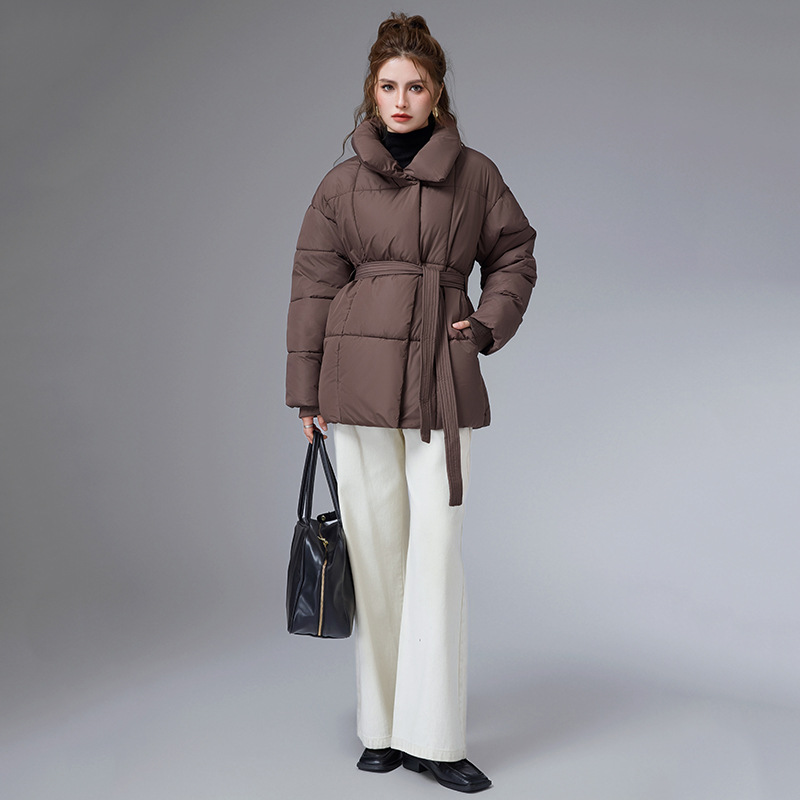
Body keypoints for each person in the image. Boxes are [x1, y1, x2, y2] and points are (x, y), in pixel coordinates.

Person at [285, 12, 536, 793]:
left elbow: (515, 254)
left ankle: (436, 739)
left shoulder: (476, 175)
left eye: (415, 87)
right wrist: (305, 391)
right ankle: (383, 731)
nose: (400, 101)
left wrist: (485, 325)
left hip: (439, 383)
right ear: (372, 91)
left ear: (436, 94)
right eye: (388, 86)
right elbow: (314, 286)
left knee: (434, 555)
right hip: (356, 385)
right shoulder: (339, 185)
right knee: (375, 556)